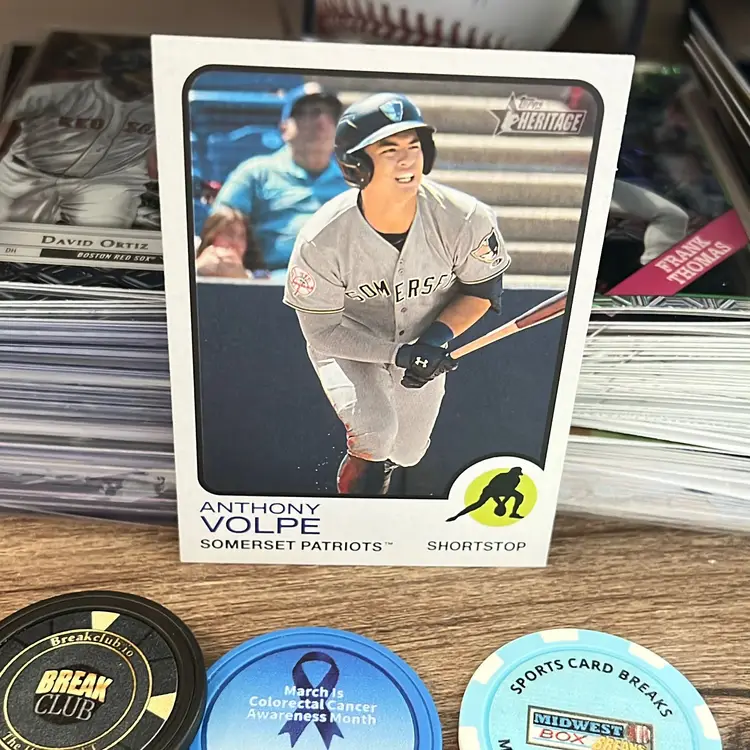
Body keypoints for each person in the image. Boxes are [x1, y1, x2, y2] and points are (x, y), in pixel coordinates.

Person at [283, 92, 511, 496]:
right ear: (356, 164)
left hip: (423, 336)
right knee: (377, 431)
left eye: (413, 146)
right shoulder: (323, 238)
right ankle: (357, 507)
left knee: (408, 451)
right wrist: (398, 355)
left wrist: (435, 339)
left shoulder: (464, 217)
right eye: (389, 150)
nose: (406, 160)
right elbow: (322, 332)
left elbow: (480, 289)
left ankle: (381, 464)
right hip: (350, 341)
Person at [0, 41, 155, 228]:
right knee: (13, 235)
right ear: (120, 72)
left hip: (107, 180)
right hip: (27, 175)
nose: (149, 82)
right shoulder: (59, 93)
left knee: (104, 235)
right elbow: (7, 115)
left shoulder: (160, 106)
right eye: (144, 75)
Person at [210, 82, 349, 273]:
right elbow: (219, 227)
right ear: (284, 128)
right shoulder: (256, 172)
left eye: (331, 115)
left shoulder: (354, 181)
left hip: (342, 280)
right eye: (308, 113)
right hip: (272, 278)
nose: (321, 121)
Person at [195, 205, 268, 280]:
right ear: (211, 237)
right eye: (229, 233)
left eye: (242, 236)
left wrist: (243, 277)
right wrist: (198, 267)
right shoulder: (194, 266)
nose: (236, 242)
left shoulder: (260, 278)